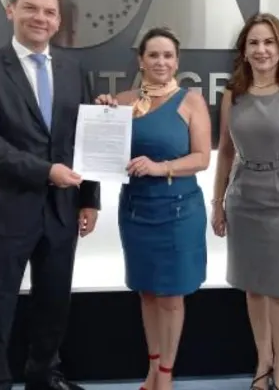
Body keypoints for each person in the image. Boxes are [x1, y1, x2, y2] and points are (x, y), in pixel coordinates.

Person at [0, 0, 100, 390]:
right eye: (31, 8)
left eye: (50, 12)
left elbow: (84, 140)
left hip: (62, 211)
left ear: (59, 21)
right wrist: (45, 172)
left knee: (54, 303)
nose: (41, 18)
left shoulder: (76, 71)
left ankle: (44, 375)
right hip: (7, 208)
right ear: (11, 10)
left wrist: (89, 198)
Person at [94, 27, 211, 390]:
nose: (161, 62)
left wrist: (160, 168)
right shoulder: (122, 101)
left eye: (168, 55)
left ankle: (166, 376)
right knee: (146, 291)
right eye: (153, 55)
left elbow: (203, 158)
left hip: (179, 211)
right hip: (135, 210)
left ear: (177, 61)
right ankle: (152, 368)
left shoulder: (192, 100)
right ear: (140, 60)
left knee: (172, 296)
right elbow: (104, 153)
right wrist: (100, 117)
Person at [211, 13, 279, 390]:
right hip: (244, 201)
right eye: (254, 43)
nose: (261, 50)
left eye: (269, 42)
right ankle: (262, 360)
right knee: (254, 288)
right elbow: (225, 152)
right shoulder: (233, 93)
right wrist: (217, 202)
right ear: (244, 50)